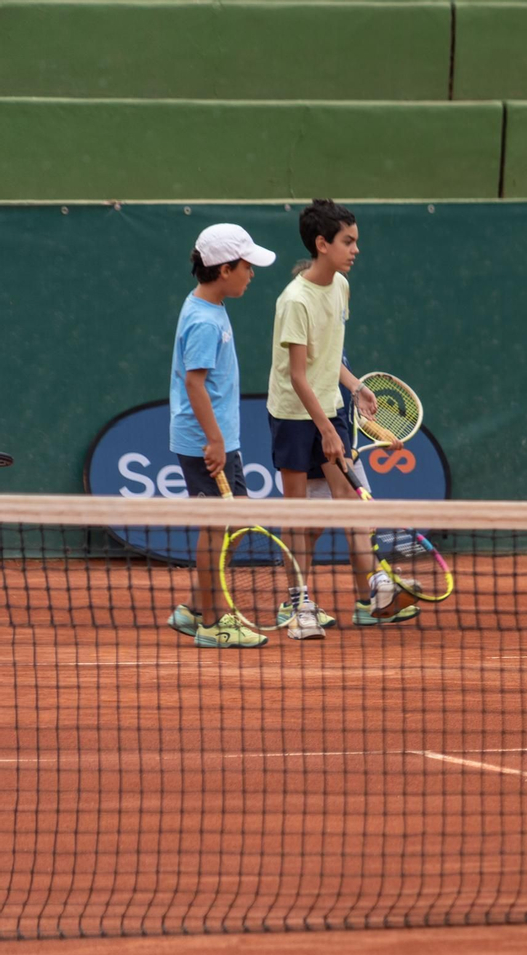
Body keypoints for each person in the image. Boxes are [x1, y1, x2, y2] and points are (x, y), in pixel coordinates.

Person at [266, 199, 399, 638]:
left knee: (350, 502)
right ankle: (299, 605)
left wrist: (355, 386)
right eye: (348, 242)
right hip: (294, 415)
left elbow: (328, 360)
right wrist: (324, 428)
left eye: (356, 241)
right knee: (300, 513)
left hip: (332, 408)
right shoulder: (295, 301)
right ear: (322, 244)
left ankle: (377, 587)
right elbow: (298, 375)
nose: (355, 249)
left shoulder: (340, 285)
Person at [165, 223, 277, 649]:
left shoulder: (208, 306)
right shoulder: (205, 322)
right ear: (225, 269)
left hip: (219, 438)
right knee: (217, 531)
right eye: (247, 267)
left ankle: (193, 608)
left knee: (234, 521)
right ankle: (213, 622)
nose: (252, 274)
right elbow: (195, 384)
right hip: (206, 441)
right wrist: (213, 440)